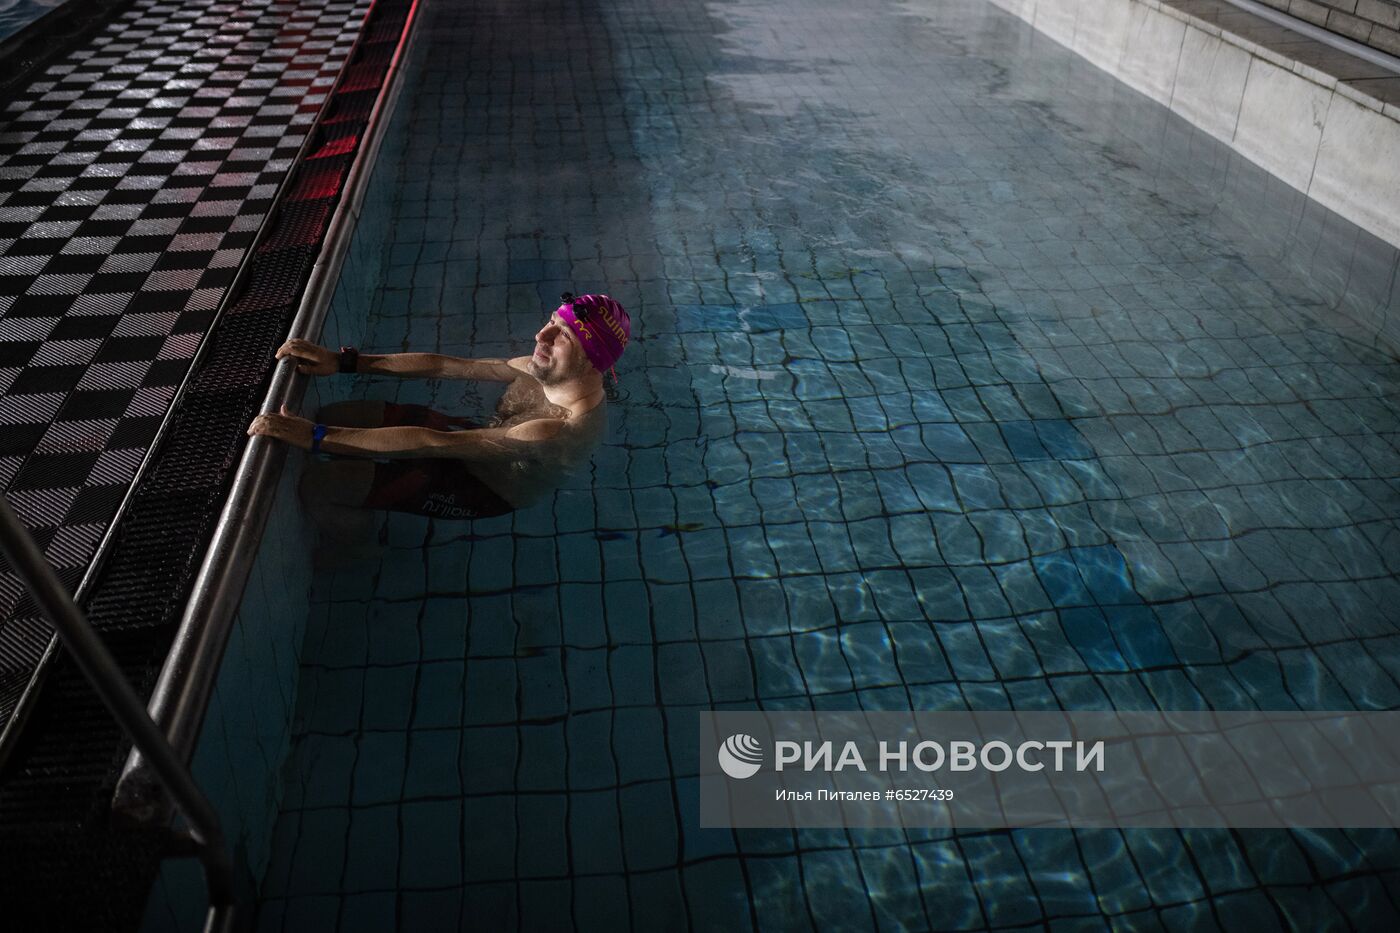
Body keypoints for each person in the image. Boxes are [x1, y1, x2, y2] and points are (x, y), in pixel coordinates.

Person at [247, 293, 630, 525]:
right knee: (340, 413)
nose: (540, 336)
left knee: (318, 484)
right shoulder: (541, 368)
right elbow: (450, 365)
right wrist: (344, 361)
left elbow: (433, 444)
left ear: (592, 360)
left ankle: (358, 547)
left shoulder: (556, 429)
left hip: (482, 487)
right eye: (549, 322)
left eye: (560, 335)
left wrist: (315, 437)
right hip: (473, 444)